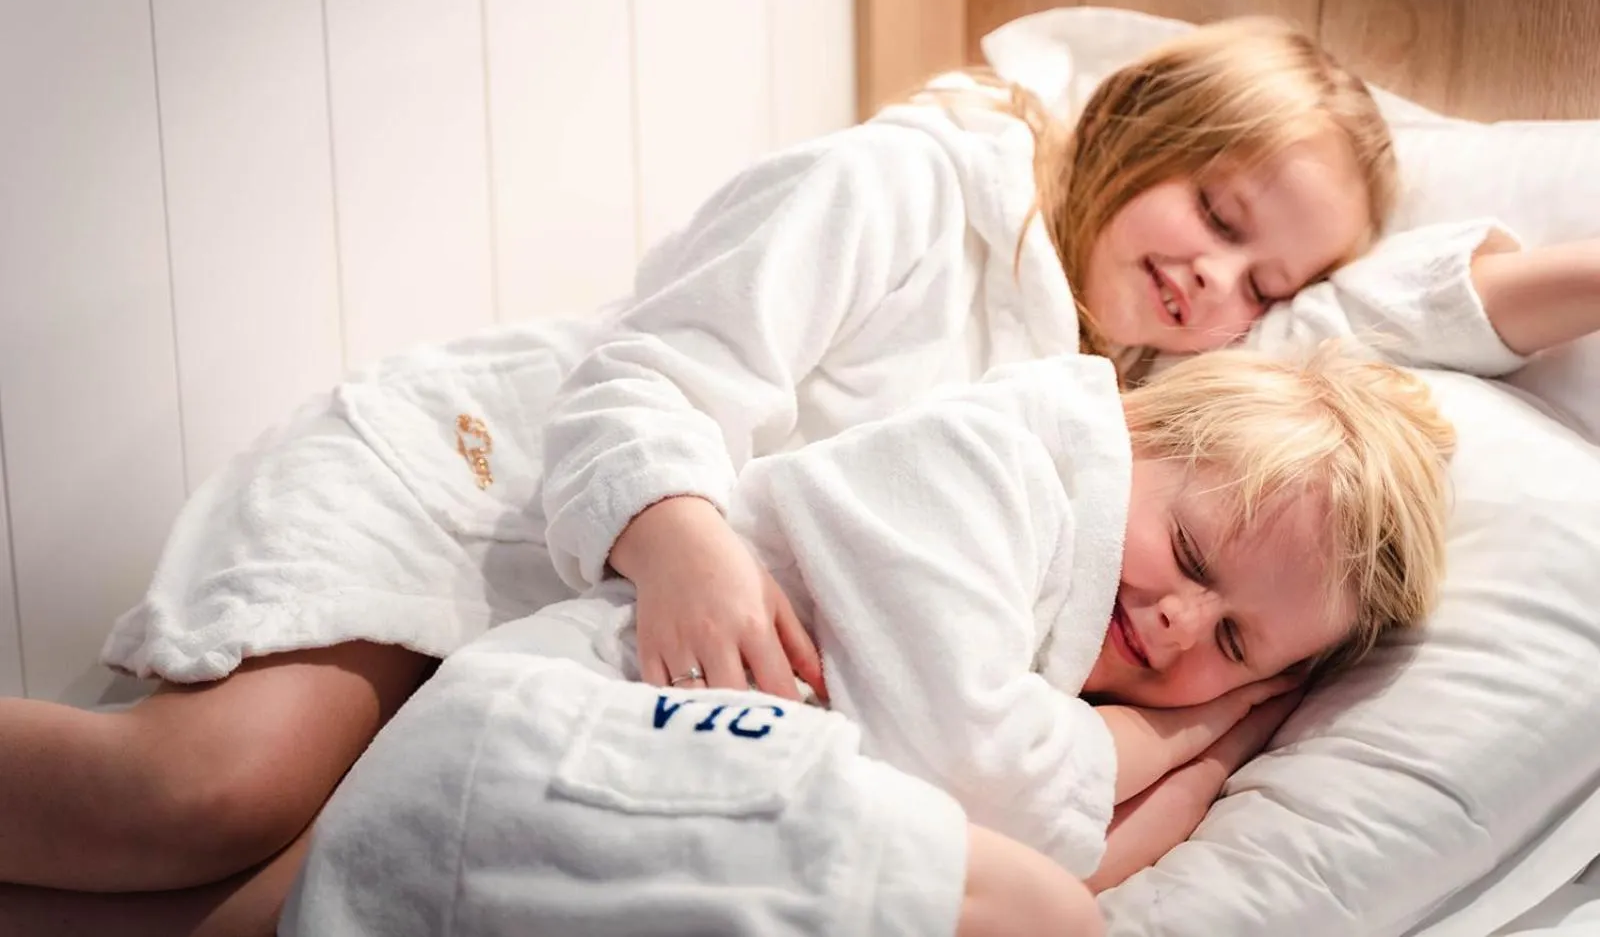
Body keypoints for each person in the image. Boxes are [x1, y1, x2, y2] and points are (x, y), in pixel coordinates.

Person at [0, 17, 1594, 935]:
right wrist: (681, 533)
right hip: (498, 481)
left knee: (289, 886)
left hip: (596, 642)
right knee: (209, 792)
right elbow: (652, 365)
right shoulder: (917, 189)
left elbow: (1373, 331)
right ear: (1136, 125)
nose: (1220, 286)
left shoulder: (1157, 409)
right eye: (1217, 215)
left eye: (1265, 286)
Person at [279, 345, 1454, 937]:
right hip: (557, 741)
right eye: (1191, 557)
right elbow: (976, 776)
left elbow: (1064, 854)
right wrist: (1182, 726)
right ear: (1134, 442)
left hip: (642, 834)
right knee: (1038, 915)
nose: (1174, 623)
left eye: (1236, 641)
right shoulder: (985, 468)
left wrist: (1205, 765)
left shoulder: (1047, 674)